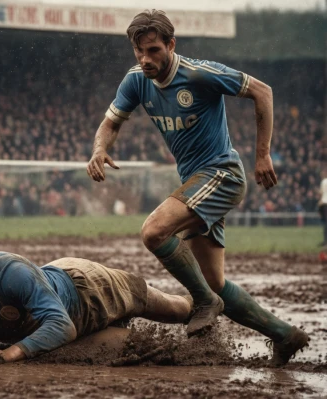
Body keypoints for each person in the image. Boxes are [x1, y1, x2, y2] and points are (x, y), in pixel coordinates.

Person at [86, 9, 309, 366]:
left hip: (222, 174)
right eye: (139, 52)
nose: (146, 59)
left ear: (171, 45)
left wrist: (263, 154)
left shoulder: (197, 72)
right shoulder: (135, 81)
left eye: (154, 50)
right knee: (215, 284)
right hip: (195, 184)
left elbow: (262, 92)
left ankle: (203, 303)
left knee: (154, 232)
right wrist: (99, 149)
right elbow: (110, 123)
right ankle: (285, 335)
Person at [0, 226, 192, 363]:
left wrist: (10, 352)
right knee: (144, 350)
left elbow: (61, 325)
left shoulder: (11, 273)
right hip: (70, 323)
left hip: (88, 287)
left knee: (177, 310)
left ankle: (210, 295)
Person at [319, 170, 327, 247]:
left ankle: (325, 242)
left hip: (324, 203)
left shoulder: (324, 182)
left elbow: (321, 194)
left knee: (325, 223)